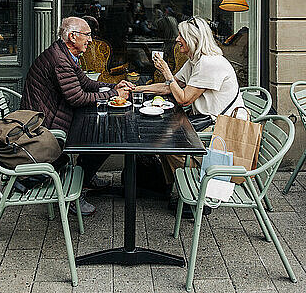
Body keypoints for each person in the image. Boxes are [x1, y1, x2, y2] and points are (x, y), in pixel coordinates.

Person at [20, 16, 134, 215]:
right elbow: (77, 98)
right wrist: (114, 94)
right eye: (87, 35)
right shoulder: (60, 61)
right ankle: (76, 193)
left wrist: (112, 86)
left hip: (54, 113)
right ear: (73, 37)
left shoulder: (64, 54)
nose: (90, 40)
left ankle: (85, 177)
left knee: (101, 134)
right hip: (46, 124)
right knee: (101, 139)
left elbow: (85, 83)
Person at [135, 16, 243, 183]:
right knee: (163, 137)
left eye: (181, 35)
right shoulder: (196, 60)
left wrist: (166, 70)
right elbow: (169, 86)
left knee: (168, 144)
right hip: (203, 121)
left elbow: (184, 99)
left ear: (194, 39)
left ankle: (189, 187)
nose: (177, 39)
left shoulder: (209, 63)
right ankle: (173, 186)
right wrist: (136, 88)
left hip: (218, 128)